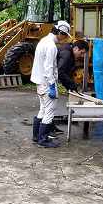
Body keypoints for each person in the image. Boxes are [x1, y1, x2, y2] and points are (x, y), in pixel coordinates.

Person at [31, 20, 71, 148]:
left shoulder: (43, 41)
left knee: (43, 109)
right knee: (49, 111)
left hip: (39, 82)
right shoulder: (51, 46)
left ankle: (36, 136)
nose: (65, 39)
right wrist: (52, 86)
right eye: (65, 36)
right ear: (60, 33)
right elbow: (49, 68)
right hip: (47, 83)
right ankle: (43, 139)